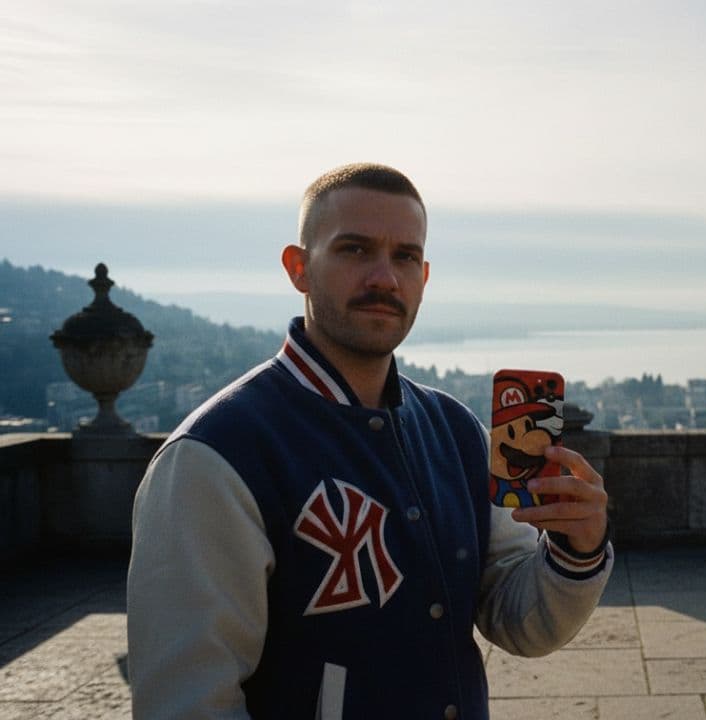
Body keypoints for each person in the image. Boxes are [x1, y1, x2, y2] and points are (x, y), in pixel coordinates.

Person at [127, 163, 611, 720]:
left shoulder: (456, 432)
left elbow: (520, 622)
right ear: (299, 267)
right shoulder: (214, 457)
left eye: (405, 256)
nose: (384, 277)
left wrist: (577, 549)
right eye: (355, 250)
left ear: (424, 277)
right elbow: (187, 703)